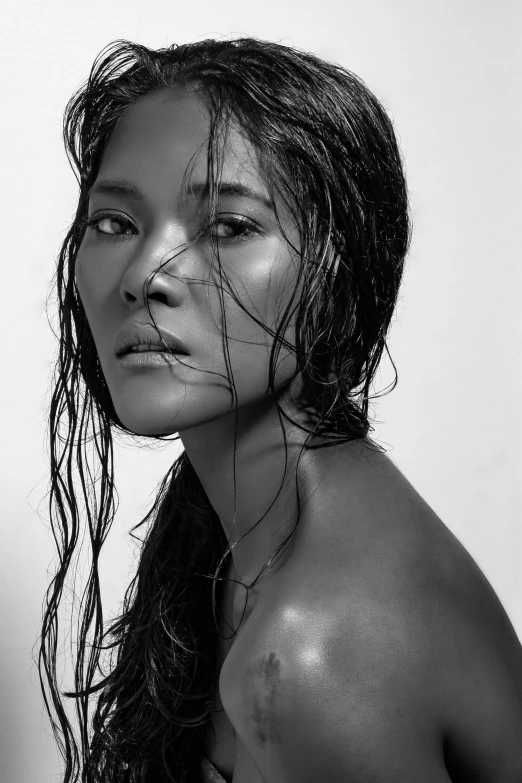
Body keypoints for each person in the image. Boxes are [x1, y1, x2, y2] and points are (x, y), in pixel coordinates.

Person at [38, 36, 522, 783]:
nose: (143, 276)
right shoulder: (241, 531)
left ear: (333, 274)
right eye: (115, 224)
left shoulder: (308, 653)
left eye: (229, 227)